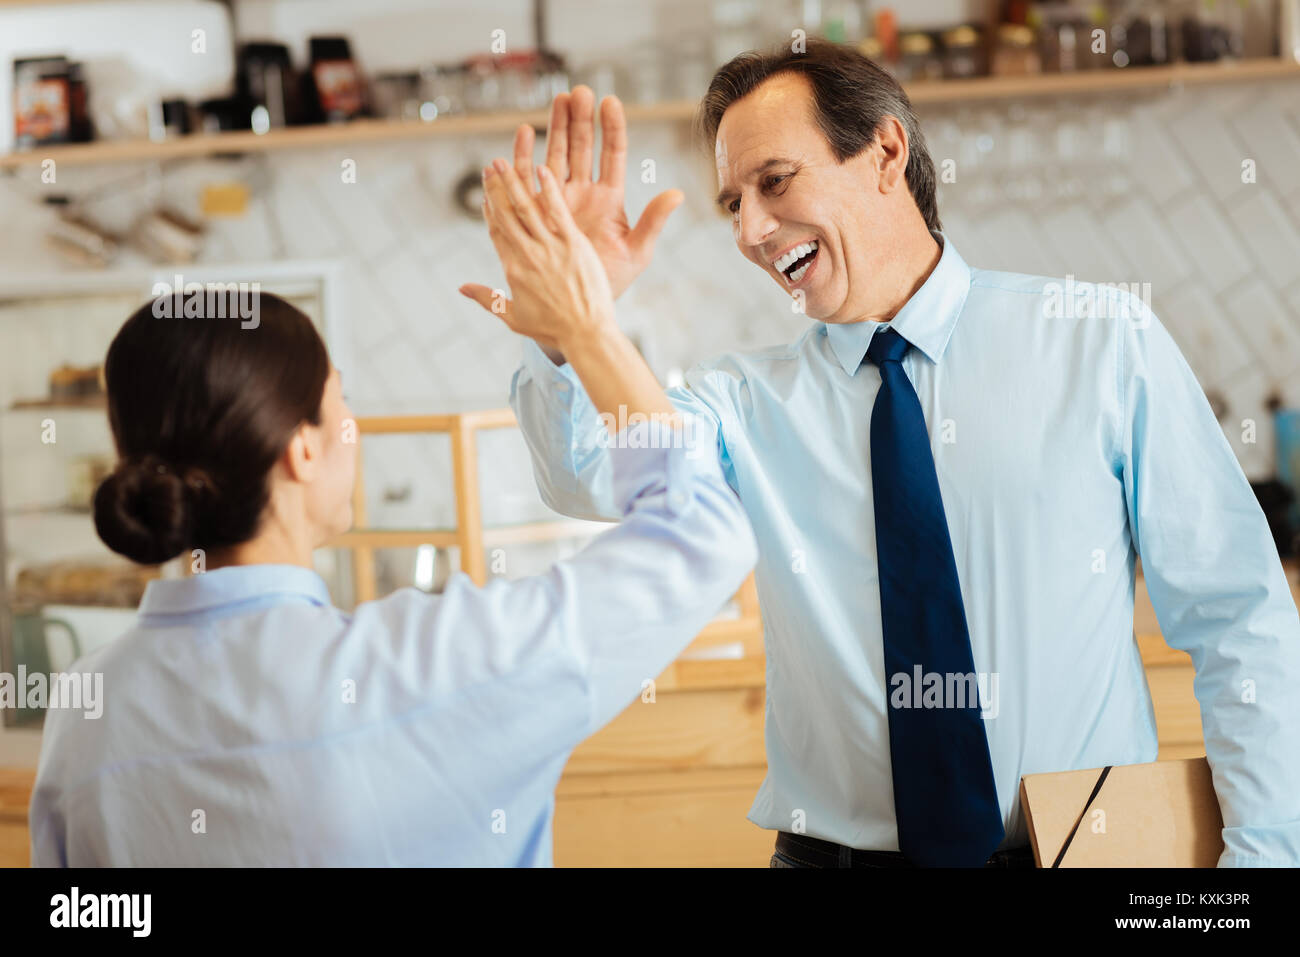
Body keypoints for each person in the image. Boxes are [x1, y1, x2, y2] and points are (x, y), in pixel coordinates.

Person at [462, 40, 1300, 867]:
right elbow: (586, 473)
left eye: (774, 181)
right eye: (731, 204)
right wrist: (569, 326)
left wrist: (1263, 855)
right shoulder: (740, 403)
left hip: (1084, 851)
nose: (751, 229)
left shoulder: (1095, 340)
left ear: (885, 152)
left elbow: (1239, 614)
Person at [28, 160, 756, 866]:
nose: (355, 422)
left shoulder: (84, 714)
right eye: (339, 397)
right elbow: (703, 536)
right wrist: (586, 328)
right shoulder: (429, 666)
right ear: (301, 451)